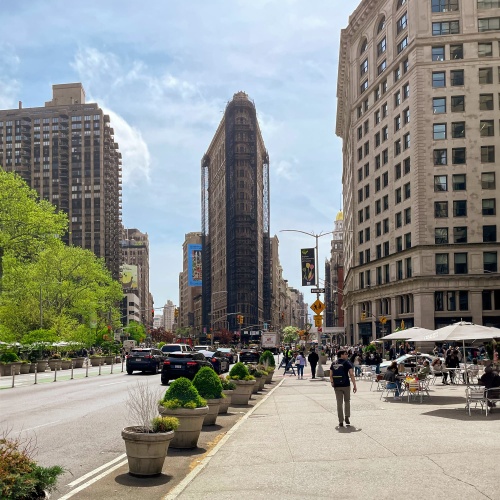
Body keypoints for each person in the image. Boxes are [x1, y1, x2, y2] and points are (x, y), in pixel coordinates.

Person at [330, 350, 357, 427]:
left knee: (339, 403)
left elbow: (331, 375)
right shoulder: (347, 363)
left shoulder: (333, 363)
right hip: (346, 385)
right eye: (345, 354)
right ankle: (347, 416)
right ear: (341, 355)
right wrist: (354, 384)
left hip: (337, 386)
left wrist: (332, 383)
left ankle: (340, 421)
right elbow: (351, 374)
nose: (347, 355)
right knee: (347, 401)